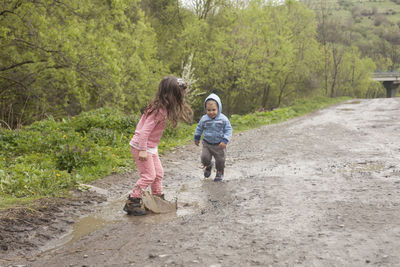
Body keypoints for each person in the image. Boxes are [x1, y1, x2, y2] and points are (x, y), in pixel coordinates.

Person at [124, 75, 193, 216]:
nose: (182, 98)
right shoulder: (158, 110)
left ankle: (157, 198)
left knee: (158, 173)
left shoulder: (164, 108)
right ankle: (132, 201)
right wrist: (143, 150)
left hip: (150, 147)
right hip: (141, 147)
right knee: (148, 175)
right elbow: (144, 131)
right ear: (171, 94)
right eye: (180, 95)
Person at [194, 93, 232, 182]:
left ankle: (220, 171)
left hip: (219, 144)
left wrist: (225, 140)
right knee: (204, 158)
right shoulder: (204, 119)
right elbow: (199, 128)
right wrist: (197, 137)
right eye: (209, 110)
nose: (211, 112)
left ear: (219, 108)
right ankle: (208, 165)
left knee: (220, 160)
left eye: (214, 110)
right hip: (207, 143)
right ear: (205, 109)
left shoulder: (223, 119)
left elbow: (228, 129)